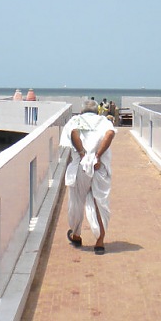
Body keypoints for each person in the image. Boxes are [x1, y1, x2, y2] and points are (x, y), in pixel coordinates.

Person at [60, 99, 116, 254]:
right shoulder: (103, 121)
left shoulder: (75, 120)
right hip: (99, 168)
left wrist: (83, 154)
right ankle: (100, 242)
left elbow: (73, 133)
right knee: (100, 202)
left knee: (77, 201)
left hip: (81, 167)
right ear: (96, 111)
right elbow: (110, 133)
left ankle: (76, 235)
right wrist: (97, 156)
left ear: (82, 111)